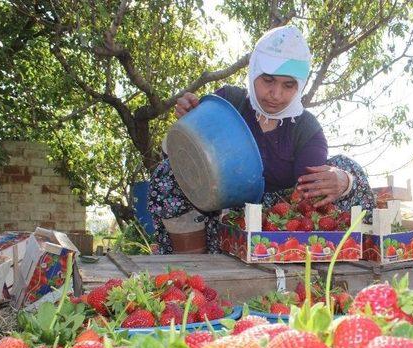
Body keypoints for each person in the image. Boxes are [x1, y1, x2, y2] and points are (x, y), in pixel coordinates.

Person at [148, 25, 376, 254]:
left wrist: (343, 182)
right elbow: (179, 155)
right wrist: (190, 124)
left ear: (300, 85)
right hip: (220, 225)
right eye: (268, 80)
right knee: (168, 172)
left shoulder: (306, 129)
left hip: (276, 231)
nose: (276, 94)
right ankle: (193, 267)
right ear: (254, 71)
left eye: (288, 85)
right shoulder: (229, 103)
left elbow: (306, 198)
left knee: (345, 168)